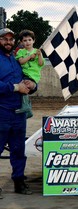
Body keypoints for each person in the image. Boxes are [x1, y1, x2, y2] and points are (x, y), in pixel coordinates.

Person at [0, 28, 37, 196]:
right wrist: (15, 87)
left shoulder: (16, 59)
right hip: (2, 112)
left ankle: (19, 182)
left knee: (18, 150)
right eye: (4, 39)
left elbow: (29, 75)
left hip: (19, 113)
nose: (8, 42)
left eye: (11, 39)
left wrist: (33, 85)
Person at [15, 30, 45, 115]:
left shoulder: (37, 51)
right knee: (21, 87)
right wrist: (29, 57)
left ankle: (26, 107)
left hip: (32, 75)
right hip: (23, 74)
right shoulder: (21, 52)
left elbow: (40, 63)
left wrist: (39, 55)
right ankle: (27, 109)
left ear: (33, 41)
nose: (27, 42)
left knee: (23, 85)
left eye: (29, 40)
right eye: (24, 40)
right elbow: (21, 61)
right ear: (21, 42)